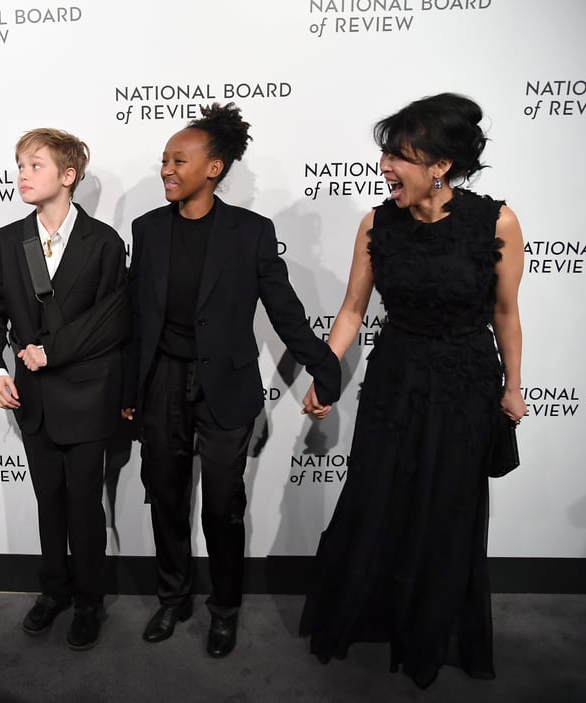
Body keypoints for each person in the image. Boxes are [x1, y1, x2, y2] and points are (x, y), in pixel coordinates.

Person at [298, 93, 528, 689]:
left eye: (399, 155)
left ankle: (433, 628)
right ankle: (374, 615)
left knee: (448, 507)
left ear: (440, 166)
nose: (384, 167)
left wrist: (515, 386)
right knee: (377, 500)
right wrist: (327, 371)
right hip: (396, 378)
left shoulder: (496, 221)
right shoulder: (377, 223)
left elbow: (506, 314)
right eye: (384, 153)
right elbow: (351, 311)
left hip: (464, 382)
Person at [121, 103, 341, 657]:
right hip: (161, 384)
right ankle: (172, 600)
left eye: (178, 159)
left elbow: (285, 311)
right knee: (166, 499)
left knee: (222, 504)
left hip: (227, 387)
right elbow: (134, 318)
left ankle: (225, 608)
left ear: (213, 168)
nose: (166, 169)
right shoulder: (147, 229)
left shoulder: (251, 232)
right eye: (164, 160)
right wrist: (128, 391)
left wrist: (324, 365)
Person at [0, 128, 128, 651]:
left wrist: (54, 352)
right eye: (19, 164)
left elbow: (112, 321)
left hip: (89, 394)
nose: (22, 174)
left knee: (86, 506)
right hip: (34, 397)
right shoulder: (6, 240)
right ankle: (54, 591)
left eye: (34, 165)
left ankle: (89, 601)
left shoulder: (105, 242)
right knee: (49, 502)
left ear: (68, 177)